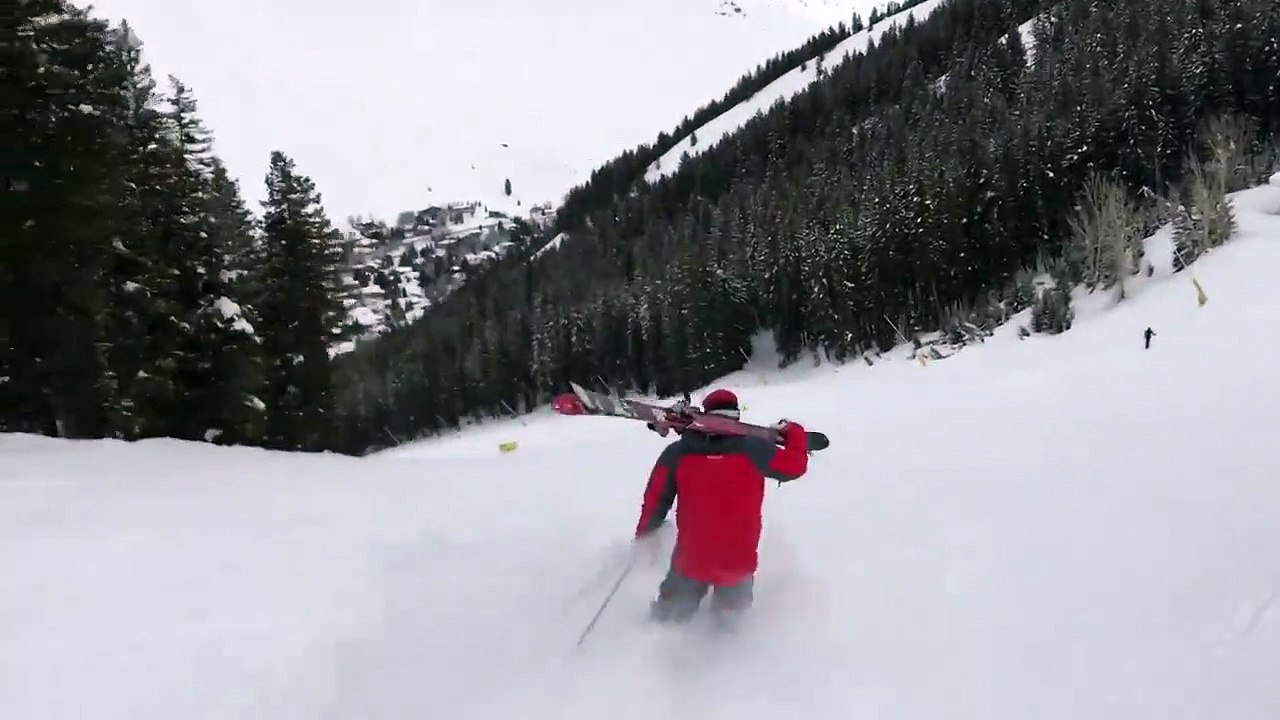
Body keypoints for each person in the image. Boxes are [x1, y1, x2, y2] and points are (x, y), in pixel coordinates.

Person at [633, 388, 809, 624]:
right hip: (738, 560)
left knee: (667, 620)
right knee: (731, 628)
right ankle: (729, 651)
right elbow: (795, 466)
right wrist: (794, 433)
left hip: (691, 559)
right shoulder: (756, 449)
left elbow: (655, 499)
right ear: (736, 416)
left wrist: (646, 533)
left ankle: (652, 652)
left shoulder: (677, 453)